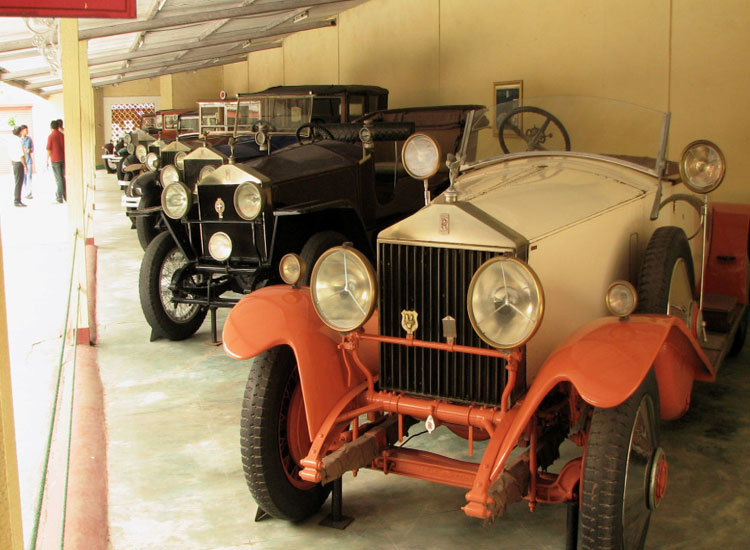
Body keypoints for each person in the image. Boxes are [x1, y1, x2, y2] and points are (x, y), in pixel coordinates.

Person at [46, 119, 66, 203]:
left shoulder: (51, 136)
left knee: (59, 179)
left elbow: (49, 149)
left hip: (55, 160)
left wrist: (46, 160)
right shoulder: (62, 135)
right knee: (62, 178)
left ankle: (59, 197)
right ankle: (64, 196)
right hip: (62, 159)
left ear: (51, 127)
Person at [9, 126, 26, 207]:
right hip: (19, 163)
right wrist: (25, 165)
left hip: (14, 163)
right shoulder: (18, 141)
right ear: (20, 132)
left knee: (17, 182)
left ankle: (17, 200)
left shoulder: (11, 140)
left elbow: (10, 153)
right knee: (19, 183)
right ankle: (17, 201)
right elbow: (21, 155)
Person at [19, 124, 33, 199]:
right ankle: (26, 191)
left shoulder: (29, 139)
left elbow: (32, 149)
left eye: (27, 130)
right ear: (22, 131)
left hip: (29, 160)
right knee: (23, 177)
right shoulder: (19, 140)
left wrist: (29, 150)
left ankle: (29, 193)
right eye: (26, 130)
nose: (27, 131)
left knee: (29, 176)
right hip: (22, 161)